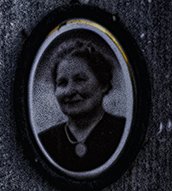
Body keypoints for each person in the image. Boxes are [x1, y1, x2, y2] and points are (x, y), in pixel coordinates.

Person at [36, 35, 126, 174]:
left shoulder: (122, 133)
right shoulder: (44, 142)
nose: (69, 91)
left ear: (103, 83)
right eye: (62, 83)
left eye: (80, 79)